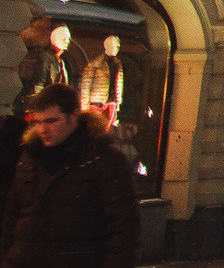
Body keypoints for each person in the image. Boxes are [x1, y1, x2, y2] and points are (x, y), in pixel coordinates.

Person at [0, 84, 139, 268]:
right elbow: (11, 220)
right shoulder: (29, 158)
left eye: (51, 121)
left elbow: (123, 230)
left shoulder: (104, 160)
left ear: (73, 116)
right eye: (38, 122)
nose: (43, 129)